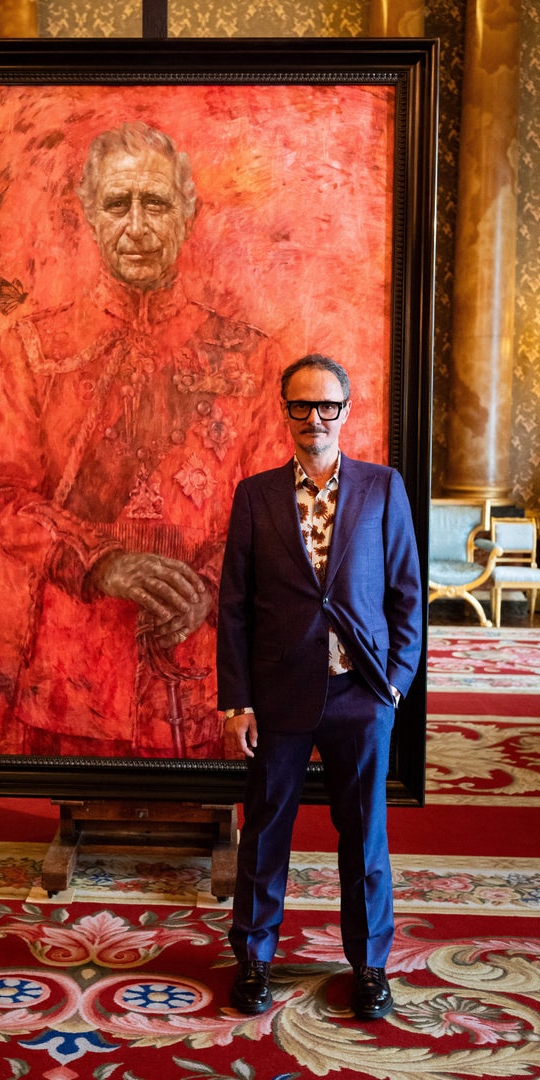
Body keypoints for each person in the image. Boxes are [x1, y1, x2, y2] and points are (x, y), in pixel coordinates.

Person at [0, 121, 285, 759]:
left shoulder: (250, 358)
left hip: (206, 664)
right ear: (89, 214)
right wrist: (105, 564)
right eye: (118, 204)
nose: (137, 226)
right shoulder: (33, 350)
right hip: (78, 667)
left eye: (157, 202)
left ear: (187, 213)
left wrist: (205, 587)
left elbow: (276, 511)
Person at [216, 353, 423, 1020]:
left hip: (360, 693)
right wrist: (237, 699)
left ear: (346, 411)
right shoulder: (255, 497)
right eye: (301, 406)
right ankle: (253, 959)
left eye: (326, 406)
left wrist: (394, 683)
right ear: (285, 413)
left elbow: (406, 597)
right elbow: (235, 606)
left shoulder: (383, 489)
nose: (314, 418)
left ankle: (369, 967)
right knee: (265, 831)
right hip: (279, 694)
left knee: (364, 835)